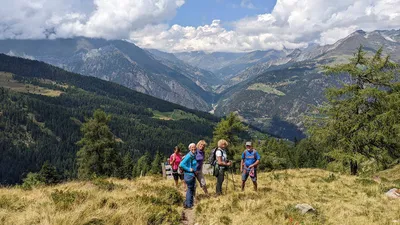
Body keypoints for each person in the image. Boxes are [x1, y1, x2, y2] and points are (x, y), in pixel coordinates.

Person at [179, 143, 198, 209]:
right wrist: (189, 169)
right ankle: (189, 205)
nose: (194, 148)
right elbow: (181, 164)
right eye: (192, 147)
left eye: (195, 147)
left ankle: (187, 203)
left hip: (191, 175)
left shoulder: (193, 155)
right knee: (190, 189)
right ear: (189, 148)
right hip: (189, 175)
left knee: (190, 189)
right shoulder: (189, 156)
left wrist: (194, 170)